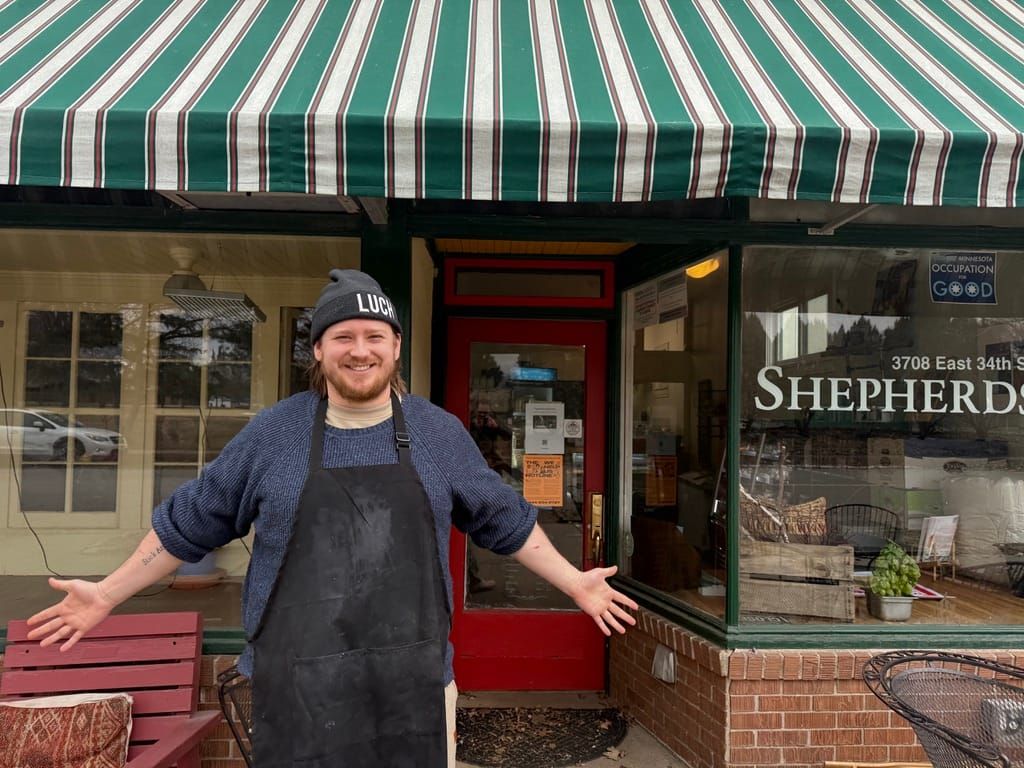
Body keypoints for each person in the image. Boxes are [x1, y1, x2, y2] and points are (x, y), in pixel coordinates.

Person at [25, 269, 638, 768]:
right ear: (318, 349)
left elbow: (504, 521)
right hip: (295, 687)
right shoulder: (274, 434)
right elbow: (190, 523)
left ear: (396, 347)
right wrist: (105, 594)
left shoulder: (437, 434)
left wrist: (574, 581)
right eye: (343, 336)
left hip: (413, 686)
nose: (360, 350)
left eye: (375, 335)